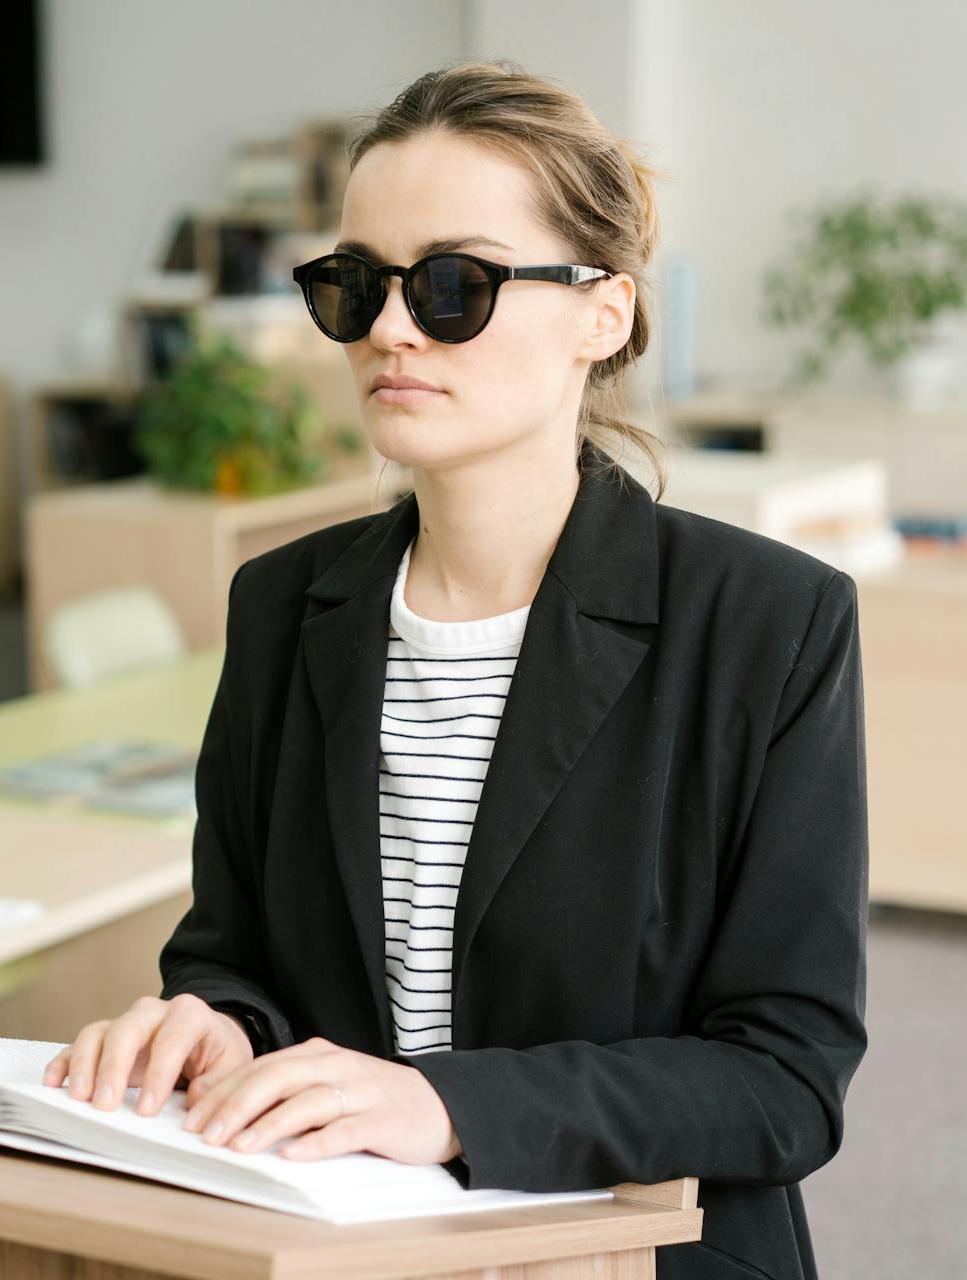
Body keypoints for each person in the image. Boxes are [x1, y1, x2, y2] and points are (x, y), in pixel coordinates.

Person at [43, 59, 867, 1280]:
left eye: (451, 285)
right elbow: (236, 951)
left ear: (604, 312)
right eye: (357, 283)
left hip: (626, 1250)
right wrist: (214, 1023)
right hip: (334, 1241)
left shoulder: (769, 621)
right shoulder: (285, 604)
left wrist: (449, 1107)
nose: (388, 327)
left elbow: (784, 1078)